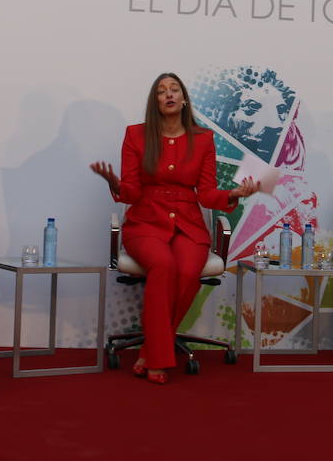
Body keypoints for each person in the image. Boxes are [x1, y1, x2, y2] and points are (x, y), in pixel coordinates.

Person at [90, 73, 257, 385]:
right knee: (163, 264)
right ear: (155, 102)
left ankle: (150, 350)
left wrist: (232, 194)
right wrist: (115, 183)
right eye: (161, 91)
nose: (168, 94)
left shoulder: (203, 138)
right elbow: (132, 192)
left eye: (174, 89)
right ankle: (158, 358)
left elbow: (206, 194)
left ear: (183, 99)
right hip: (145, 221)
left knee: (188, 270)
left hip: (188, 223)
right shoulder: (136, 135)